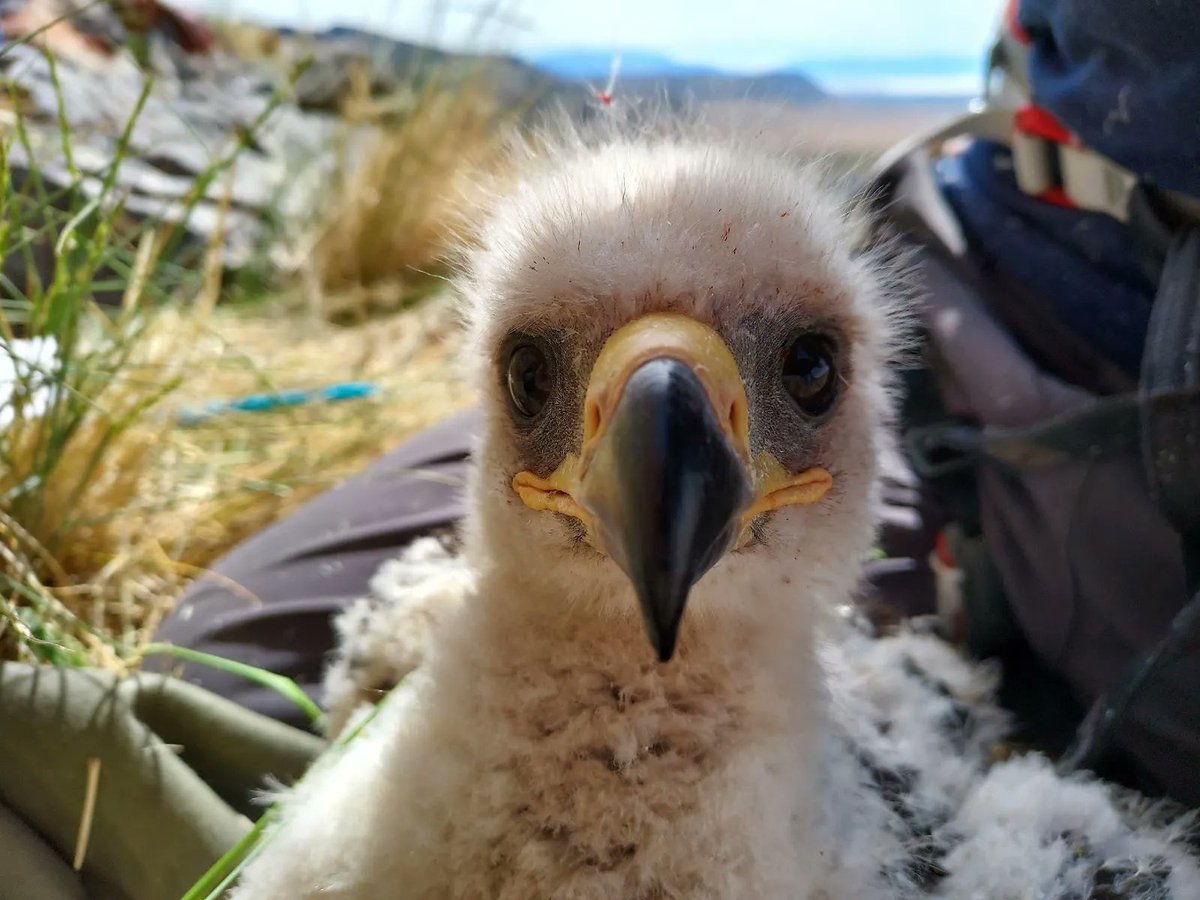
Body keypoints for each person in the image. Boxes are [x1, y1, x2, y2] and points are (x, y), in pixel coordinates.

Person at [154, 0, 1200, 805]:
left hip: (1086, 457)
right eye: (527, 379)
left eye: (797, 372)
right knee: (196, 700)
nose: (665, 435)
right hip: (985, 278)